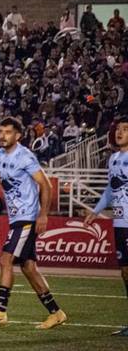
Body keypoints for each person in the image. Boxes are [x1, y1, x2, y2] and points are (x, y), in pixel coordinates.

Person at [0, 117, 67, 330]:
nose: (2, 135)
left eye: (8, 132)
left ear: (18, 135)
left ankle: (0, 311)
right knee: (29, 268)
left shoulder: (25, 157)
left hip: (27, 217)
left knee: (5, 259)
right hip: (16, 218)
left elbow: (46, 185)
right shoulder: (1, 154)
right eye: (1, 131)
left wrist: (43, 215)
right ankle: (56, 313)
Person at [84, 116, 128, 337]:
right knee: (125, 271)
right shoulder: (113, 159)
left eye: (126, 129)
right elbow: (111, 190)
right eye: (118, 129)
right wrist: (96, 211)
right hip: (120, 221)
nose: (120, 132)